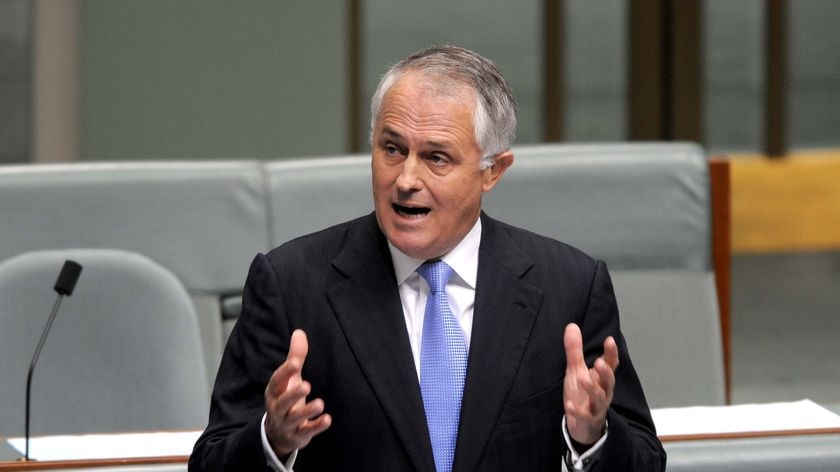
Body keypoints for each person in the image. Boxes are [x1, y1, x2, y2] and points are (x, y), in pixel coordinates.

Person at [189, 45, 666, 471]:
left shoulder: (569, 288)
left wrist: (593, 437)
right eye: (392, 149)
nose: (405, 179)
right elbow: (211, 461)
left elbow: (645, 460)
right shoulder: (292, 284)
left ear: (492, 171)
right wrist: (272, 441)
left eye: (436, 157)